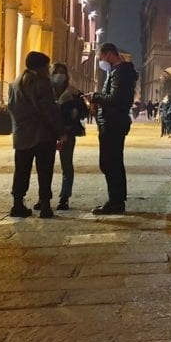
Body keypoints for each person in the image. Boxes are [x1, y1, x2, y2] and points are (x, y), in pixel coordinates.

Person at [8, 52, 65, 218]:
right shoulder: (42, 83)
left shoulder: (15, 83)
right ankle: (45, 206)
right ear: (41, 67)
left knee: (21, 171)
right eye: (47, 67)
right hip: (42, 135)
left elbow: (11, 108)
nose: (48, 70)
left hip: (22, 135)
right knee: (45, 171)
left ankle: (17, 204)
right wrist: (60, 131)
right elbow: (49, 110)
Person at [89, 43, 138, 215]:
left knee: (110, 163)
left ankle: (115, 201)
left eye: (101, 58)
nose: (101, 62)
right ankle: (117, 199)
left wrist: (95, 97)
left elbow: (115, 98)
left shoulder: (120, 72)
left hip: (113, 123)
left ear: (109, 55)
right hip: (112, 122)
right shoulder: (118, 72)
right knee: (113, 162)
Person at [47, 63, 88, 211]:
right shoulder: (46, 91)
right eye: (56, 72)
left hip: (67, 133)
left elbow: (84, 111)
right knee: (45, 167)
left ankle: (64, 198)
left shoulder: (73, 92)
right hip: (48, 133)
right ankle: (44, 197)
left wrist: (76, 111)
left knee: (67, 166)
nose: (59, 75)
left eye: (62, 72)